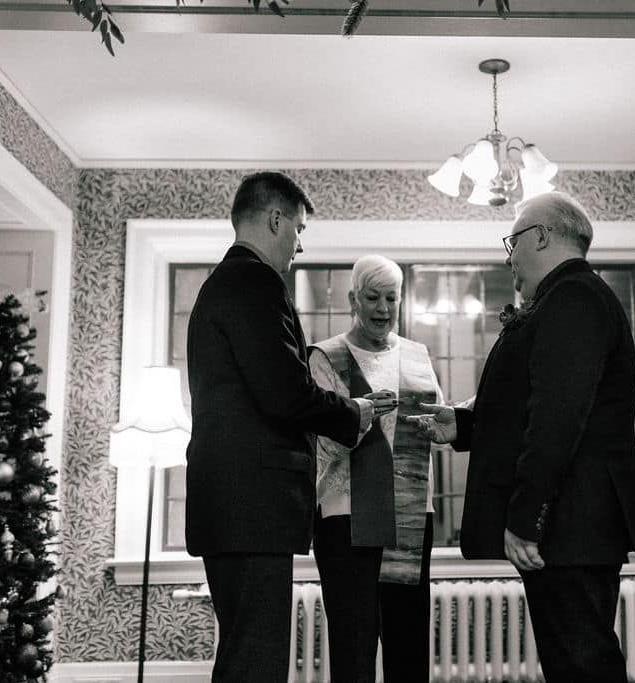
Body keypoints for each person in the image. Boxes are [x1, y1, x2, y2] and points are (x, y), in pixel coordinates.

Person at [409, 192, 635, 683]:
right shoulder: (566, 299)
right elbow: (533, 406)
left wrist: (525, 518)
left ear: (541, 235)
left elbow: (557, 417)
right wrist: (465, 425)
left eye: (513, 241)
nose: (509, 256)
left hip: (570, 524)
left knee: (583, 665)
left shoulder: (575, 298)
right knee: (572, 663)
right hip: (570, 526)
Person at [185, 172, 397, 682]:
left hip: (231, 506)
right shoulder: (255, 283)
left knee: (242, 655)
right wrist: (355, 413)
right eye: (299, 228)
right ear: (275, 219)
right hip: (251, 505)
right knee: (255, 662)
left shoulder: (222, 284)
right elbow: (285, 392)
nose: (300, 244)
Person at [309, 254, 441, 683]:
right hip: (345, 525)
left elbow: (436, 428)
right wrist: (361, 416)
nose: (383, 309)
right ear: (353, 298)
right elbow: (318, 450)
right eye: (372, 297)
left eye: (391, 298)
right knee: (354, 648)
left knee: (409, 647)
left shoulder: (418, 357)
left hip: (409, 519)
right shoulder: (324, 358)